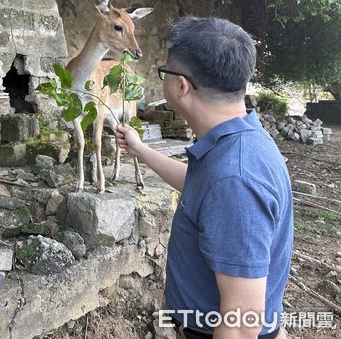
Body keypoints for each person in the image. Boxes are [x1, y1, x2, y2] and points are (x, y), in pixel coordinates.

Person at [116, 17, 292, 339]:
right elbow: (201, 188)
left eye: (165, 73)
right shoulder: (237, 140)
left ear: (181, 86)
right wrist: (141, 151)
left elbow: (240, 324)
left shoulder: (235, 180)